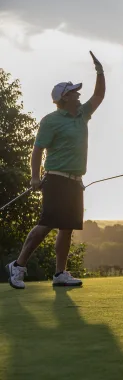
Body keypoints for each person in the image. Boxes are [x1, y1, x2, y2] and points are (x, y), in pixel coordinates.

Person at [6, 51, 105, 289]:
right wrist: (34, 177)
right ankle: (18, 266)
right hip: (56, 179)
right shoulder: (50, 121)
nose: (78, 94)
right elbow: (38, 150)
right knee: (46, 223)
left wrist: (100, 72)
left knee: (67, 228)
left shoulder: (82, 114)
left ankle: (60, 273)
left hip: (75, 181)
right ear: (64, 97)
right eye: (74, 92)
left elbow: (99, 95)